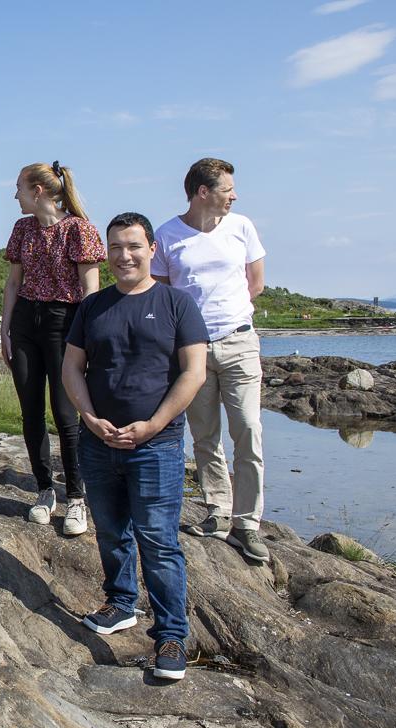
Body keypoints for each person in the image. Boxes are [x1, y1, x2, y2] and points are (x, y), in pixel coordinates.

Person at [62, 212, 208, 681]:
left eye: (134, 246)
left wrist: (152, 425)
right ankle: (121, 604)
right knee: (110, 531)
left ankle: (171, 634)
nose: (125, 256)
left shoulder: (176, 303)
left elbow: (193, 373)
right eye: (116, 247)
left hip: (156, 445)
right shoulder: (93, 306)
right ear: (106, 252)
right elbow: (71, 369)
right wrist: (88, 417)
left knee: (158, 541)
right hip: (99, 441)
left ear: (152, 250)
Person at [151, 158, 270, 563]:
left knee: (248, 430)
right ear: (203, 191)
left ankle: (247, 524)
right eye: (227, 189)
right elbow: (163, 296)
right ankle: (218, 512)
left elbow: (256, 283)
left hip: (239, 342)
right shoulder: (166, 235)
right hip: (192, 350)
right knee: (204, 437)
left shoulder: (242, 227)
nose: (234, 196)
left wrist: (227, 316)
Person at [1, 162, 106, 536]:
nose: (15, 195)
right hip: (26, 321)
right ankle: (45, 490)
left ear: (38, 191)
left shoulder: (79, 229)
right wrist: (5, 328)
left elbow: (90, 291)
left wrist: (86, 339)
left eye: (19, 188)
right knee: (31, 412)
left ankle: (76, 498)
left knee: (66, 415)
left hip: (66, 322)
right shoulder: (22, 229)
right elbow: (14, 283)